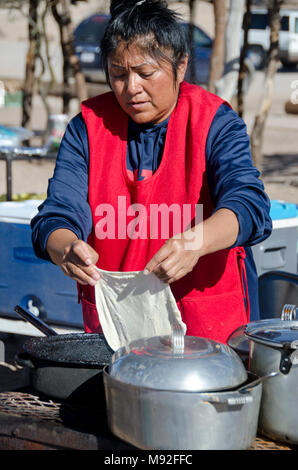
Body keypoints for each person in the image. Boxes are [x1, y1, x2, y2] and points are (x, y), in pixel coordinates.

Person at [31, 0, 272, 344]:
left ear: (181, 65)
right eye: (118, 74)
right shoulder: (87, 128)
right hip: (119, 331)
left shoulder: (214, 122)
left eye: (145, 73)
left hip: (211, 331)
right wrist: (66, 247)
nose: (131, 88)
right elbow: (56, 216)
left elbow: (250, 206)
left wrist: (195, 243)